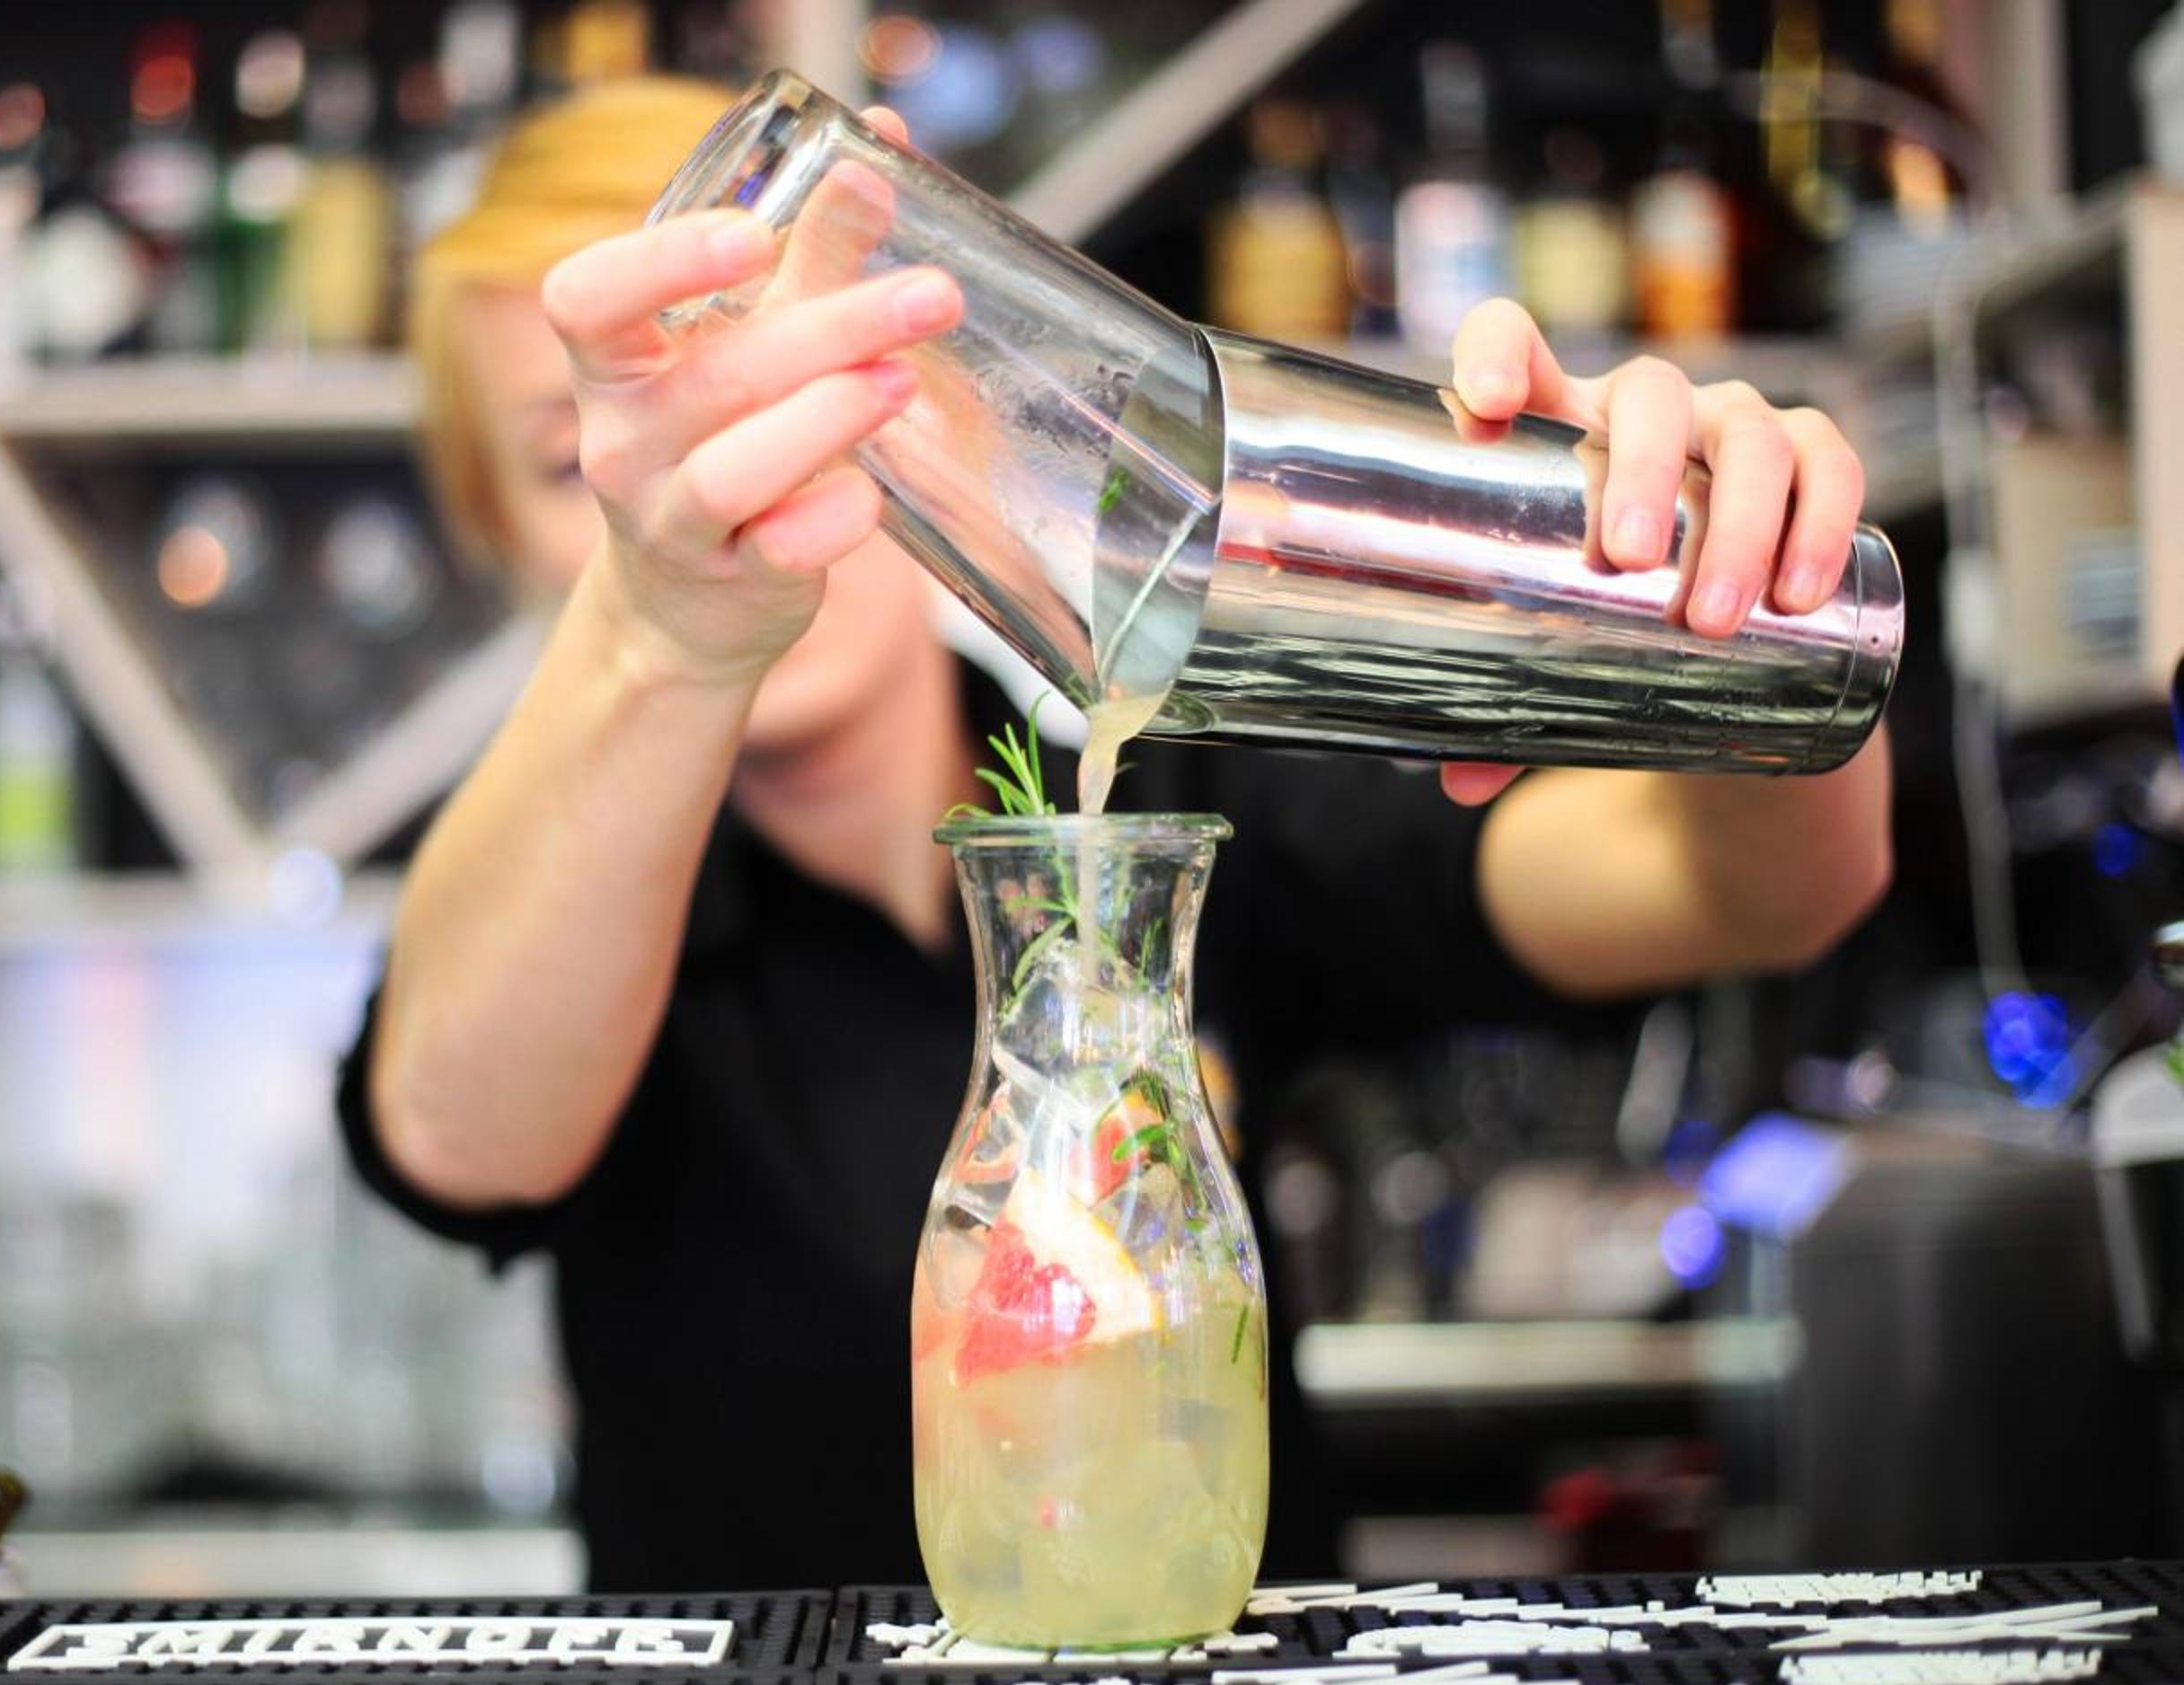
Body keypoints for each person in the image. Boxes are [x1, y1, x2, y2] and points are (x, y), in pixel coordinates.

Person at [337, 77, 1891, 1592]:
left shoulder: (1166, 798)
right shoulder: (555, 904)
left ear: (937, 385)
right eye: (588, 452)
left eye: (787, 382)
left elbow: (1748, 894)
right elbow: (459, 1131)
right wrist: (663, 625)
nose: (743, 474)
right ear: (506, 540)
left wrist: (1735, 606)